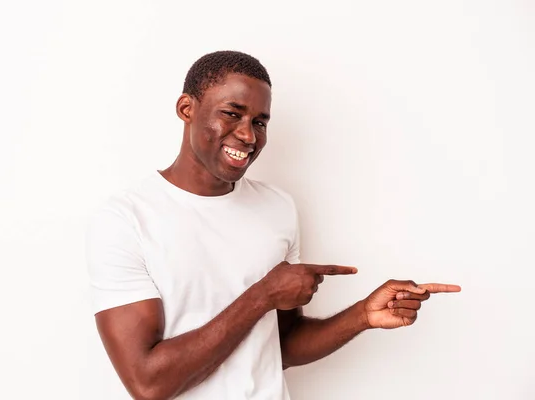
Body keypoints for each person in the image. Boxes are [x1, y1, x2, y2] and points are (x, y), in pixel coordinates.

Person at [86, 50, 461, 400]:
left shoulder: (277, 207)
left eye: (260, 122)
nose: (248, 136)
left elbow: (279, 346)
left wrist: (362, 314)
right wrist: (262, 295)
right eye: (232, 114)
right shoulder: (125, 219)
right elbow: (147, 382)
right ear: (187, 108)